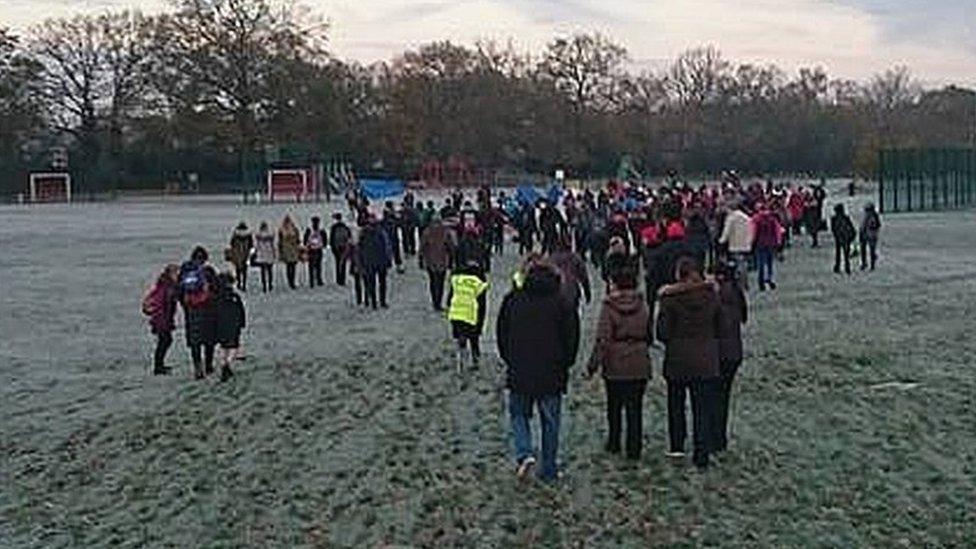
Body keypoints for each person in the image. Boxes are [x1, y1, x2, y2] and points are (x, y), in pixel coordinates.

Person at [496, 263, 580, 482]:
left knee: (518, 415)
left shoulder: (513, 300)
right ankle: (549, 469)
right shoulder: (562, 303)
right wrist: (566, 363)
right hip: (552, 371)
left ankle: (524, 453)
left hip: (520, 369)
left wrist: (510, 359)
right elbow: (572, 337)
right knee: (550, 423)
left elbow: (501, 333)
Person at [656, 256, 720, 469]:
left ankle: (677, 446)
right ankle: (702, 452)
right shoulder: (711, 296)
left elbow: (662, 333)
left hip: (678, 359)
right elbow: (720, 326)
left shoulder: (669, 299)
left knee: (676, 405)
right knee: (702, 408)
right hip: (705, 359)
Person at [586, 260, 652, 461]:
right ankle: (634, 446)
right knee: (635, 407)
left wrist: (593, 365)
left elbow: (603, 338)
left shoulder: (609, 306)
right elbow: (650, 332)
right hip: (639, 359)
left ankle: (614, 441)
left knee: (614, 405)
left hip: (615, 360)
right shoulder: (643, 304)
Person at [713, 261, 747, 453]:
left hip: (717, 352)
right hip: (734, 351)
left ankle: (713, 436)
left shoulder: (716, 298)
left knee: (713, 396)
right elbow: (743, 318)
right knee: (724, 396)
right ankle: (720, 438)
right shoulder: (736, 294)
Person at [178, 247, 219, 380]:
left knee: (195, 341)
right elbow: (216, 289)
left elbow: (179, 291)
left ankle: (197, 368)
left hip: (191, 311)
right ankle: (209, 365)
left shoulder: (184, 271)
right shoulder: (208, 271)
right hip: (207, 310)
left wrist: (185, 306)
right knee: (209, 340)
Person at [447, 260, 490, 371]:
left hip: (456, 313)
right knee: (474, 338)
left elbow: (449, 299)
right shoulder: (479, 285)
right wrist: (480, 325)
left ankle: (460, 360)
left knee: (460, 338)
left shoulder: (457, 280)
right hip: (471, 313)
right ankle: (475, 360)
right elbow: (482, 307)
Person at [143, 264, 180, 375]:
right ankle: (158, 367)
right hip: (162, 319)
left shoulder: (164, 285)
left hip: (162, 318)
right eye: (176, 273)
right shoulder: (167, 287)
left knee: (165, 341)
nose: (178, 276)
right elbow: (163, 304)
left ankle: (159, 365)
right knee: (165, 341)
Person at [214, 272, 246, 382]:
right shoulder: (234, 296)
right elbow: (240, 311)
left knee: (223, 346)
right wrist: (242, 323)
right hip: (233, 325)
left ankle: (224, 363)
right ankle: (227, 364)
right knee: (233, 346)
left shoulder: (216, 297)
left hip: (220, 325)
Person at [419, 212, 454, 311]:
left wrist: (421, 259)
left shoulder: (427, 231)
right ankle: (438, 301)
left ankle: (435, 301)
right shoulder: (445, 231)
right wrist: (452, 259)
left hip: (430, 262)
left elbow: (422, 247)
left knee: (433, 282)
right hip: (442, 261)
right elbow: (451, 246)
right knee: (440, 282)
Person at [549, 234, 591, 311]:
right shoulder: (575, 258)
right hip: (572, 290)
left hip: (557, 292)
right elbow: (584, 276)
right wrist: (587, 292)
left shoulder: (552, 259)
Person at [359, 215, 393, 309]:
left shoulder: (363, 233)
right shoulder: (381, 232)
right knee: (382, 282)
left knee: (372, 283)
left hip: (369, 261)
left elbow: (359, 249)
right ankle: (382, 301)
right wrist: (388, 259)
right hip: (380, 261)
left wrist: (361, 262)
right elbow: (387, 247)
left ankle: (374, 302)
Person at [718, 202, 752, 290]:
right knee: (744, 263)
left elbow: (726, 232)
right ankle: (745, 282)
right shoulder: (746, 217)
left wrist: (721, 241)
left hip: (735, 245)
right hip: (746, 245)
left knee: (737, 264)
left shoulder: (731, 218)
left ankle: (739, 283)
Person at [752, 203, 782, 291]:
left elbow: (754, 232)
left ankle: (761, 281)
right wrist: (778, 242)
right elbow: (777, 231)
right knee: (770, 263)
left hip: (760, 244)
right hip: (771, 244)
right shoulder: (772, 219)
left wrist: (752, 242)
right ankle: (770, 278)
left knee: (761, 264)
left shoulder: (756, 219)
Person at [831, 204, 857, 275]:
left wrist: (836, 235)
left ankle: (837, 266)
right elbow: (851, 227)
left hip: (838, 237)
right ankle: (847, 267)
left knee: (838, 253)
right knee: (846, 253)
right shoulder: (846, 218)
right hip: (846, 238)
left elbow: (833, 229)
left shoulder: (834, 219)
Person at [228, 222, 253, 292]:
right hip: (245, 254)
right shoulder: (248, 235)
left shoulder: (235, 235)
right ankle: (244, 284)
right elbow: (251, 245)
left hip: (237, 254)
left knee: (238, 270)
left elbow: (232, 244)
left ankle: (239, 283)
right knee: (245, 271)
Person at [304, 216, 328, 288]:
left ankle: (318, 279)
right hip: (311, 250)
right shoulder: (309, 230)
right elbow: (305, 240)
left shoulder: (321, 231)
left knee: (318, 265)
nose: (316, 224)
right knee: (312, 266)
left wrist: (323, 245)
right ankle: (312, 280)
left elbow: (325, 239)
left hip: (318, 249)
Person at [329, 213, 353, 286]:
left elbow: (331, 238)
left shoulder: (334, 227)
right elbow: (349, 237)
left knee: (337, 262)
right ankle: (342, 279)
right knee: (343, 263)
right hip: (344, 247)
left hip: (336, 247)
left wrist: (332, 246)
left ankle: (338, 279)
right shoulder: (345, 227)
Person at [278, 216, 301, 289]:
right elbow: (298, 240)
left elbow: (280, 242)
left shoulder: (282, 230)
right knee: (291, 266)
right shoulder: (294, 229)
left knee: (290, 266)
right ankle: (291, 282)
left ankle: (291, 281)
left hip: (289, 249)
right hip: (290, 249)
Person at [253, 222, 276, 293]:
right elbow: (273, 246)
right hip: (269, 255)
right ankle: (270, 284)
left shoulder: (258, 237)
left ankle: (264, 286)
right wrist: (274, 254)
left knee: (263, 272)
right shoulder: (270, 237)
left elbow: (256, 247)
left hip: (261, 255)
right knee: (270, 271)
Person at [859, 203, 882, 271]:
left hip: (868, 234)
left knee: (865, 249)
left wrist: (862, 232)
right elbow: (878, 225)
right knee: (871, 250)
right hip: (872, 235)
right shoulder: (875, 216)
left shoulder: (868, 216)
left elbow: (863, 226)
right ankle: (870, 264)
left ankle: (866, 263)